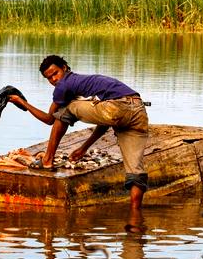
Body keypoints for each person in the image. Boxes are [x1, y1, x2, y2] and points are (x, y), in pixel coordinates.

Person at [8, 55, 149, 210]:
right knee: (135, 173)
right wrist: (84, 148)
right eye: (49, 78)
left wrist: (22, 102)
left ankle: (47, 159)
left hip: (117, 107)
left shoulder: (64, 85)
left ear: (65, 68)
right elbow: (106, 121)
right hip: (138, 110)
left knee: (67, 108)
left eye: (55, 73)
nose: (54, 79)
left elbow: (50, 119)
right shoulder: (80, 84)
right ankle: (135, 217)